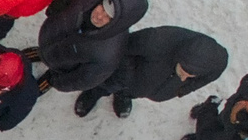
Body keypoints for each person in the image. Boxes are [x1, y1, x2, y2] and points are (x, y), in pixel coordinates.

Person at [73, 25, 227, 119]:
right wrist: (125, 77)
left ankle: (124, 96)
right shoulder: (156, 40)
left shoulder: (217, 62)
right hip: (129, 74)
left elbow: (205, 79)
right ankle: (94, 93)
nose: (185, 77)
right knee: (109, 84)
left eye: (190, 75)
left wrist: (182, 89)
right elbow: (122, 49)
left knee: (134, 92)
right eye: (184, 70)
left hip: (150, 85)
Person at [32, 0, 146, 97]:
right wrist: (51, 14)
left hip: (62, 67)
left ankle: (48, 78)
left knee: (50, 76)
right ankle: (40, 53)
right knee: (44, 52)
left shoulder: (109, 55)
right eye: (102, 7)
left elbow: (79, 80)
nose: (99, 16)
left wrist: (56, 82)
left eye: (109, 17)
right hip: (49, 38)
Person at [181, 65, 248, 140]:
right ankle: (208, 108)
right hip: (240, 110)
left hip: (243, 139)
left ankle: (207, 114)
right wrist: (244, 98)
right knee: (221, 120)